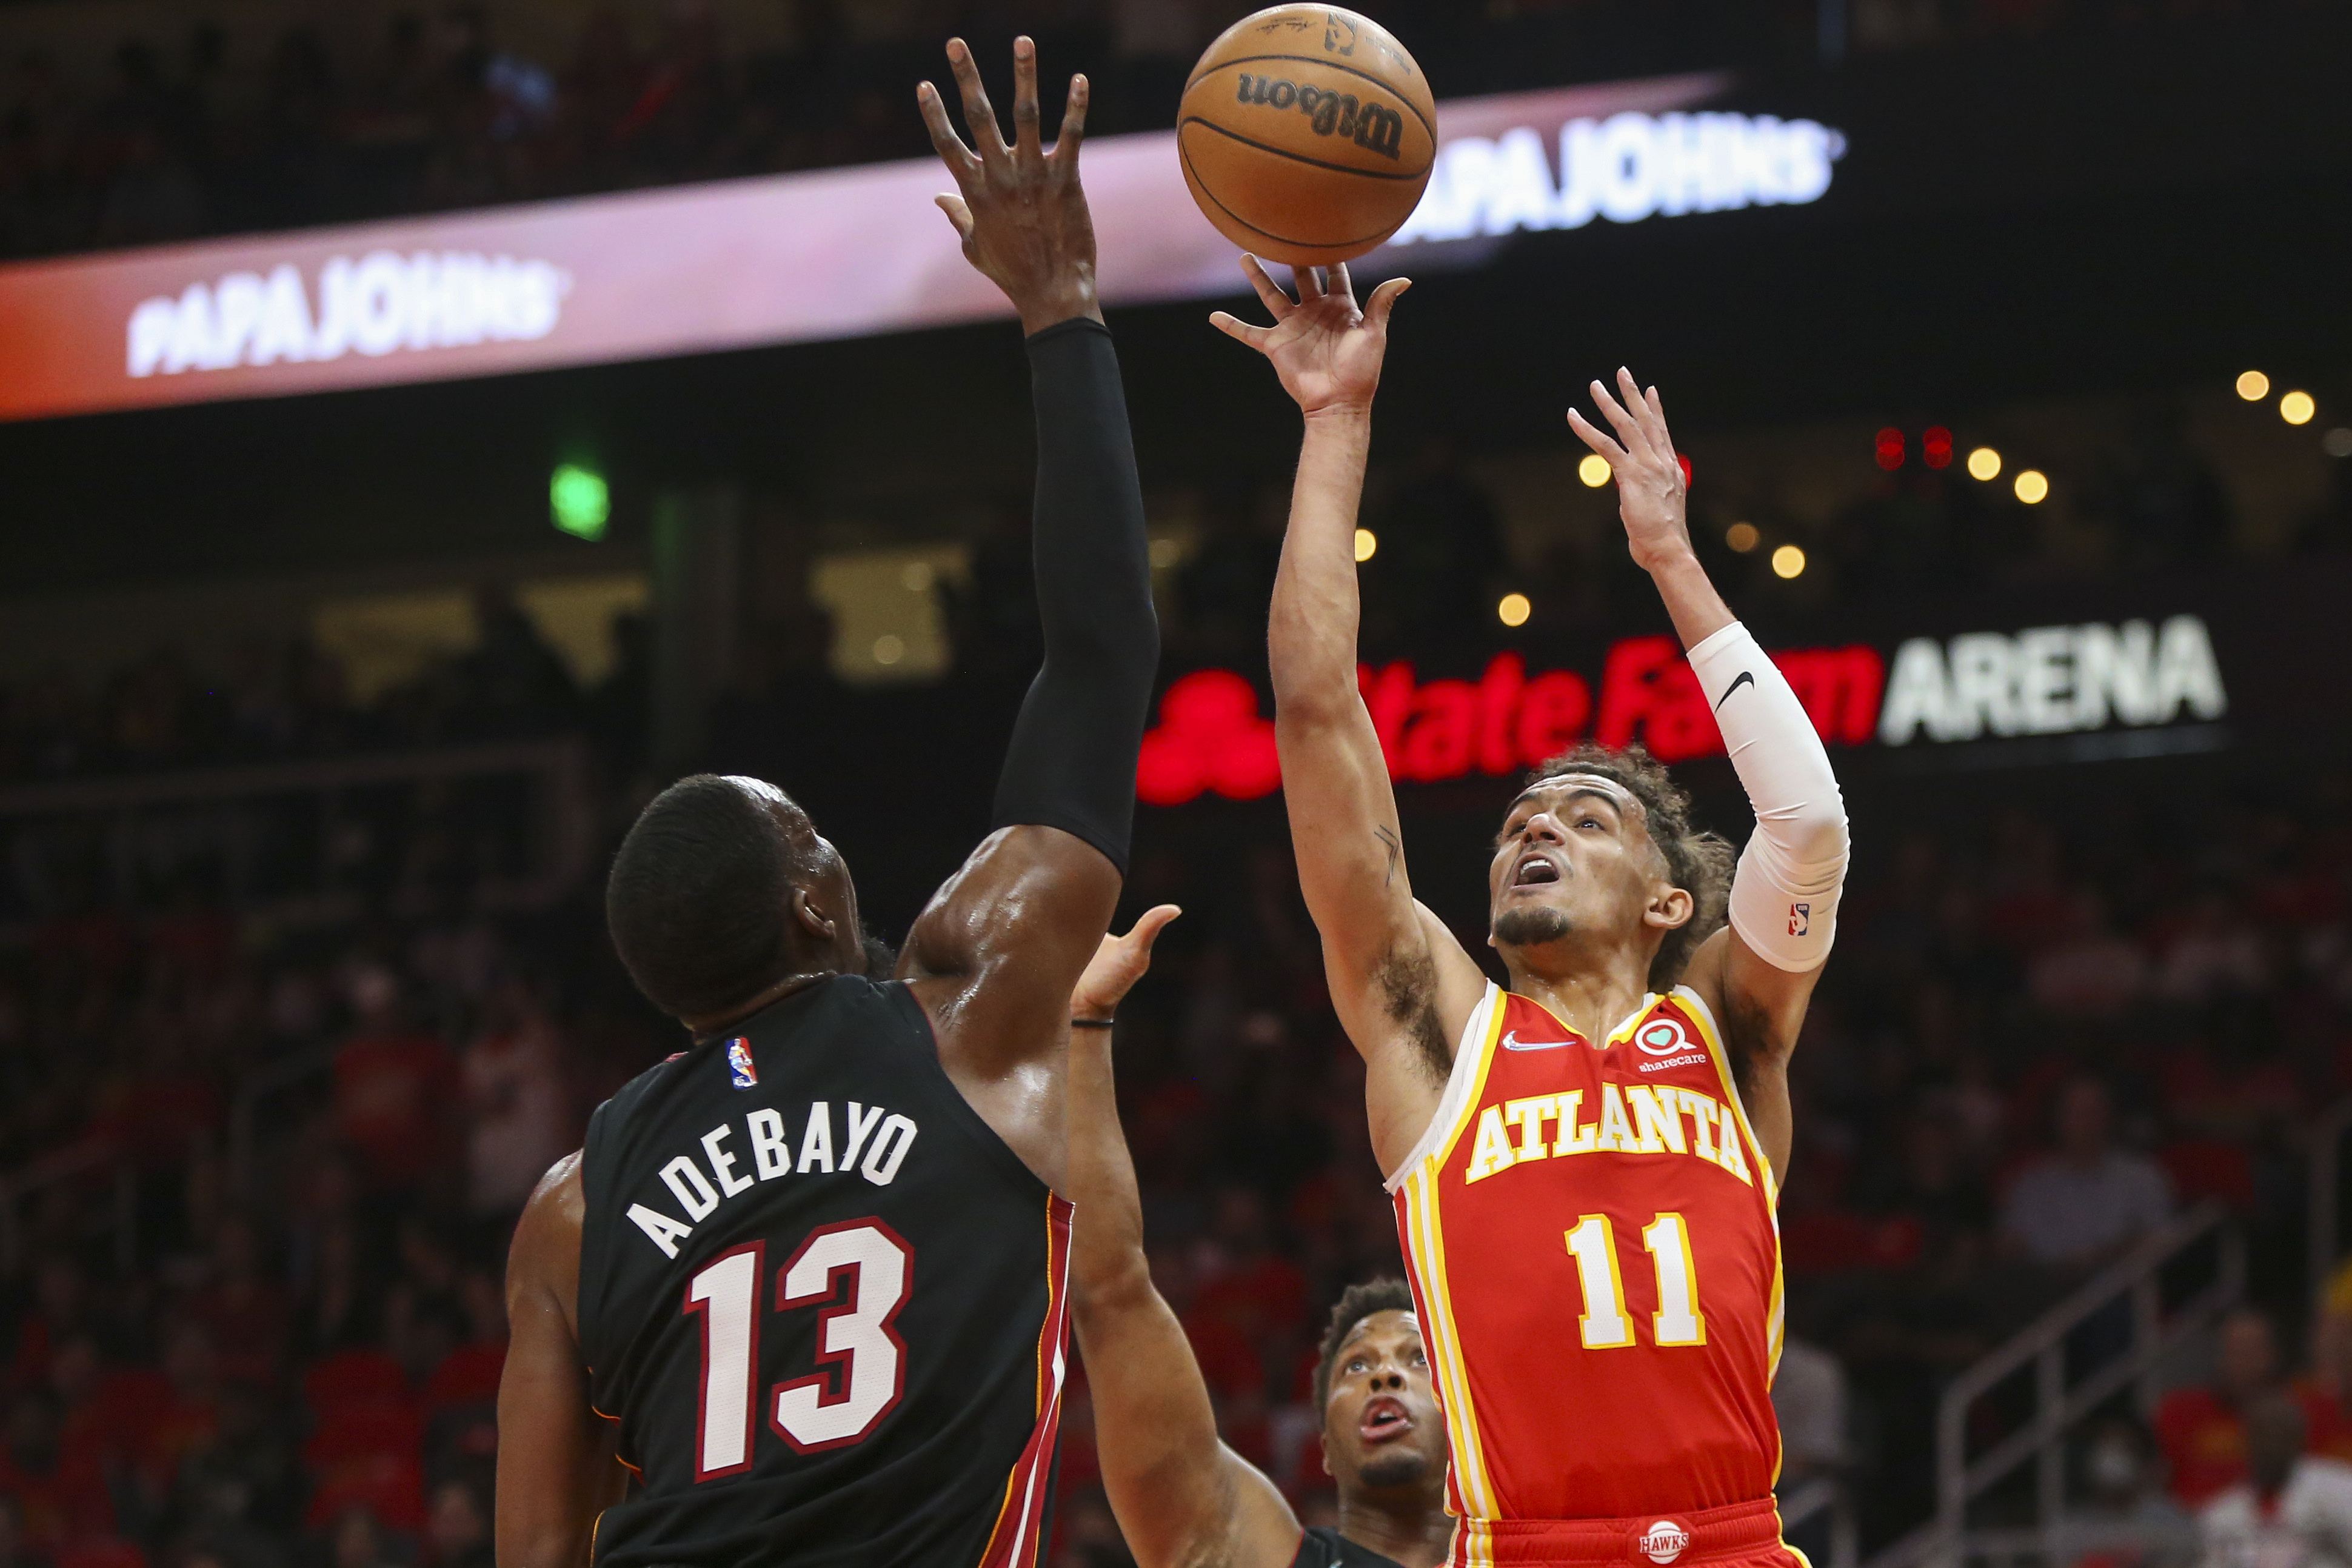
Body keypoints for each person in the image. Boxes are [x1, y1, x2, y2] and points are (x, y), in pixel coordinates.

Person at [495, 37, 1159, 1568]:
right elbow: (1101, 653)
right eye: (815, 830)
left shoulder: (572, 1206)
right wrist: (1059, 311)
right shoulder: (966, 1009)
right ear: (812, 895)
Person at [1215, 259, 1851, 1565]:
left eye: (1581, 817)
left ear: (1670, 898)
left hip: (1741, 1541)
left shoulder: (1730, 1027)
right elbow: (1316, 706)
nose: (1532, 829)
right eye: (1516, 823)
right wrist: (1333, 426)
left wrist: (1668, 559)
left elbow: (1808, 829)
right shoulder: (1439, 1031)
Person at [1065, 910, 1454, 1568]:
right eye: (1355, 1366)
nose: (1385, 1372)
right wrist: (1083, 1022)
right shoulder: (1257, 1554)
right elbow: (1111, 1294)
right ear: (1323, 1444)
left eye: (1418, 1360)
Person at [2197, 1395, 2352, 1568]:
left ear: (2299, 1438)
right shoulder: (2222, 1513)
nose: (2271, 1444)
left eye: (2280, 1433)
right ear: (2246, 1440)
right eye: (2262, 1434)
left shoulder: (2341, 1489)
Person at [2159, 1310, 2288, 1508]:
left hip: (2271, 1529)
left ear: (2272, 1356)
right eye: (2236, 1351)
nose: (2244, 1362)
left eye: (2252, 1351)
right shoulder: (2181, 1410)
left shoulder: (2294, 1415)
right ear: (2220, 1356)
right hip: (2190, 1527)